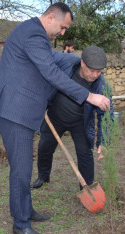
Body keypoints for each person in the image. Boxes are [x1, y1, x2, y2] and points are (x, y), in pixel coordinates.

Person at [0, 2, 109, 234]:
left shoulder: (34, 34)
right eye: (62, 27)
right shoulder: (34, 34)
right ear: (51, 17)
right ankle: (21, 225)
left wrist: (81, 65)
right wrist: (88, 96)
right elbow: (50, 73)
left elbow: (51, 61)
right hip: (14, 109)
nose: (63, 33)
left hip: (20, 108)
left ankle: (26, 210)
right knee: (21, 169)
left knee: (23, 166)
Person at [31, 46, 113, 190]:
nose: (95, 75)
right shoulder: (67, 61)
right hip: (55, 116)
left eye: (99, 71)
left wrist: (104, 141)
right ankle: (43, 176)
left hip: (80, 122)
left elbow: (106, 116)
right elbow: (44, 54)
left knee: (85, 153)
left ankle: (86, 187)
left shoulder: (101, 85)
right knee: (44, 147)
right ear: (82, 63)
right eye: (92, 70)